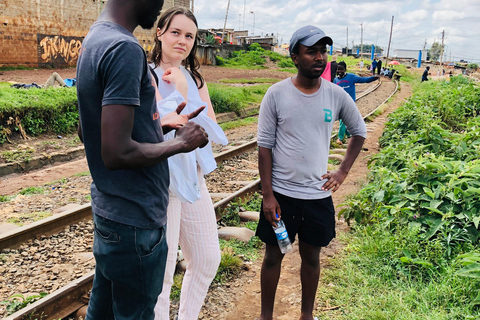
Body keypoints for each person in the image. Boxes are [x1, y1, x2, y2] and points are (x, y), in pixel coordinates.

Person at [76, 0, 209, 319]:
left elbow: (88, 128)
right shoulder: (125, 48)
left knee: (102, 312)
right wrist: (182, 144)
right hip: (135, 220)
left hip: (111, 212)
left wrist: (155, 125)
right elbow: (116, 152)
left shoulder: (95, 39)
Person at [256, 25, 367, 320]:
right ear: (294, 57)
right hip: (280, 195)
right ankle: (265, 316)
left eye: (323, 51)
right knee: (272, 257)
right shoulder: (276, 94)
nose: (320, 57)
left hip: (316, 196)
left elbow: (359, 131)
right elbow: (264, 148)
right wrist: (268, 195)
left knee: (312, 258)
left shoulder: (335, 95)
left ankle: (307, 315)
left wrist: (342, 171)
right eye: (312, 51)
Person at [149, 7, 227, 320]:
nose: (182, 40)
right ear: (160, 33)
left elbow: (209, 131)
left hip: (192, 178)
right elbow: (153, 129)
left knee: (207, 258)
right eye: (175, 32)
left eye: (189, 36)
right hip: (160, 181)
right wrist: (179, 99)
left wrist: (184, 89)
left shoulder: (194, 78)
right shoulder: (145, 73)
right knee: (163, 271)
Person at [333, 61, 379, 145]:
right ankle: (349, 135)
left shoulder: (351, 77)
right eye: (338, 69)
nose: (339, 71)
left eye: (341, 69)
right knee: (344, 120)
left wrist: (372, 78)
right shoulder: (335, 80)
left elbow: (362, 80)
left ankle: (340, 138)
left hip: (349, 103)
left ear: (345, 69)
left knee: (343, 121)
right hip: (339, 103)